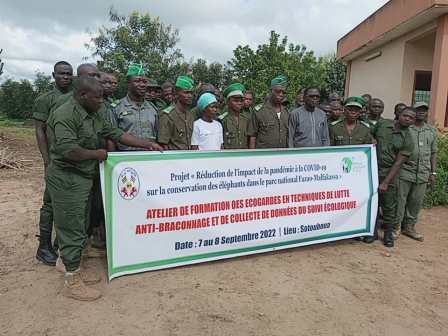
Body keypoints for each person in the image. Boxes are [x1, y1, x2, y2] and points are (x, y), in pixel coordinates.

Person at [46, 76, 162, 301]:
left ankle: (70, 265)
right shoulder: (65, 114)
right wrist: (98, 154)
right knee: (72, 227)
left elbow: (116, 133)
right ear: (82, 95)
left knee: (82, 223)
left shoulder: (95, 110)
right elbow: (69, 150)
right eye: (98, 97)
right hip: (66, 177)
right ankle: (72, 280)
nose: (102, 101)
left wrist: (146, 143)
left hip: (84, 176)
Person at [33, 61, 73, 266]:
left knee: (69, 203)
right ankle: (43, 247)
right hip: (54, 160)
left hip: (73, 159)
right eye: (61, 74)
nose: (65, 77)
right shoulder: (45, 100)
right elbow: (40, 130)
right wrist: (46, 160)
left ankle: (60, 244)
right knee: (49, 203)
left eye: (69, 74)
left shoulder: (77, 96)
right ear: (54, 75)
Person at [369, 107, 416, 247]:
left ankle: (388, 233)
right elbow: (370, 133)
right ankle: (373, 232)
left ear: (413, 121)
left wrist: (386, 182)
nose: (407, 118)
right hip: (372, 169)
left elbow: (398, 163)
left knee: (389, 205)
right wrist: (372, 139)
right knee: (373, 203)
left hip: (390, 173)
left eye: (411, 118)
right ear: (399, 115)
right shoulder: (383, 124)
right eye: (405, 115)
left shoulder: (408, 139)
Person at [395, 102, 438, 241]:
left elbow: (434, 152)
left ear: (427, 113)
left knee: (416, 201)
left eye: (424, 110)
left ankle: (409, 227)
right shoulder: (407, 128)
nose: (421, 112)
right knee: (400, 200)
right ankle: (396, 227)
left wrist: (433, 172)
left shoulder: (431, 131)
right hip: (405, 170)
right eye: (418, 110)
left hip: (423, 172)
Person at [109, 64, 158, 151]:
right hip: (125, 159)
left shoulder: (153, 108)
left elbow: (157, 136)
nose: (142, 84)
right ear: (128, 84)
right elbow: (111, 138)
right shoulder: (116, 108)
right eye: (137, 81)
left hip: (150, 158)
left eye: (144, 81)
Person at [247, 76, 289, 149]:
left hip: (283, 156)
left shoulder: (287, 112)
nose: (281, 94)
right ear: (271, 91)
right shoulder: (259, 111)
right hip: (264, 157)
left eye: (284, 92)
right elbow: (252, 136)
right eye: (278, 91)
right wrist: (252, 157)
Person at [158, 76, 195, 150]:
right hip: (174, 158)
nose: (190, 96)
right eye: (186, 92)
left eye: (191, 93)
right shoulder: (167, 115)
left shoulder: (190, 114)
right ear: (176, 94)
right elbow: (163, 144)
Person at [218, 83, 250, 149]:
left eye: (241, 100)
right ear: (228, 102)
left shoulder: (247, 119)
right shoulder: (222, 120)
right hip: (229, 156)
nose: (239, 103)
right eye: (235, 100)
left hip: (245, 156)